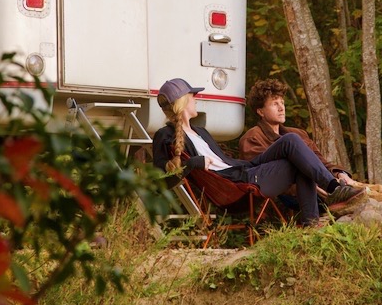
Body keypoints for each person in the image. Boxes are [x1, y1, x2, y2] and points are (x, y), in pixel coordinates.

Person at [152, 78, 364, 228]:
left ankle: (322, 204)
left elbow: (224, 161)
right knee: (295, 153)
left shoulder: (200, 132)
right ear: (183, 102)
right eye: (192, 96)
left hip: (243, 170)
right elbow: (161, 181)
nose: (196, 99)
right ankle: (327, 199)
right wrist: (193, 164)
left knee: (291, 140)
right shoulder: (165, 136)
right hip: (237, 184)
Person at [239, 78, 353, 199]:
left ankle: (338, 190)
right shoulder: (252, 138)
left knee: (354, 192)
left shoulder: (299, 134)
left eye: (282, 102)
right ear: (261, 112)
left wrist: (340, 173)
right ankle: (335, 190)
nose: (281, 108)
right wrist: (312, 188)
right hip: (288, 195)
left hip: (321, 187)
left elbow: (320, 162)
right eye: (275, 104)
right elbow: (266, 178)